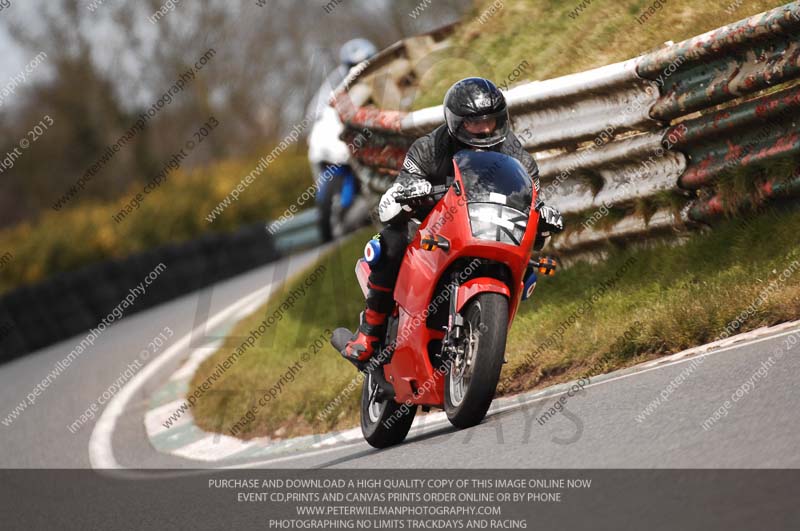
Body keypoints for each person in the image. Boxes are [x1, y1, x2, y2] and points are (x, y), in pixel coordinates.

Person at [343, 77, 564, 363]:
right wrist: (412, 190)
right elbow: (400, 189)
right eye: (475, 123)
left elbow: (531, 198)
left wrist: (544, 214)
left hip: (487, 227)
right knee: (389, 242)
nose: (485, 129)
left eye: (491, 121)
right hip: (433, 227)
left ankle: (486, 340)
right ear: (456, 122)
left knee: (530, 272)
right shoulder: (429, 148)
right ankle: (369, 332)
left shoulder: (518, 157)